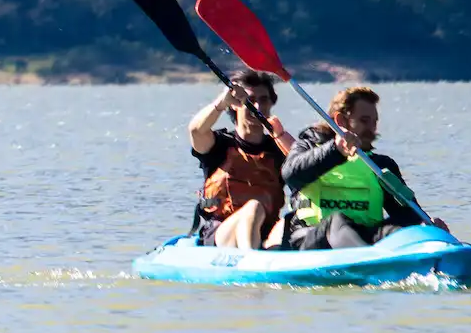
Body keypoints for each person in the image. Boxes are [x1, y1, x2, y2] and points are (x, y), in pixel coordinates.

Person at [282, 86, 443, 249]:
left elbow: (406, 214)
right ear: (341, 121)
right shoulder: (307, 147)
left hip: (366, 237)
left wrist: (425, 227)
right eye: (364, 121)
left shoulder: (381, 165)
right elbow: (291, 174)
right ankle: (369, 261)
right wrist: (335, 151)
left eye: (374, 122)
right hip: (312, 237)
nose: (372, 129)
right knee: (337, 221)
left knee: (397, 231)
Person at [186, 70, 293, 249]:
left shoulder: (279, 150)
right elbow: (196, 131)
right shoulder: (218, 145)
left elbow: (308, 167)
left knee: (292, 221)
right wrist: (221, 103)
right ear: (235, 104)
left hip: (267, 233)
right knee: (253, 208)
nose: (257, 107)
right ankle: (252, 263)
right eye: (250, 101)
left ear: (272, 103)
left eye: (264, 100)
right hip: (222, 232)